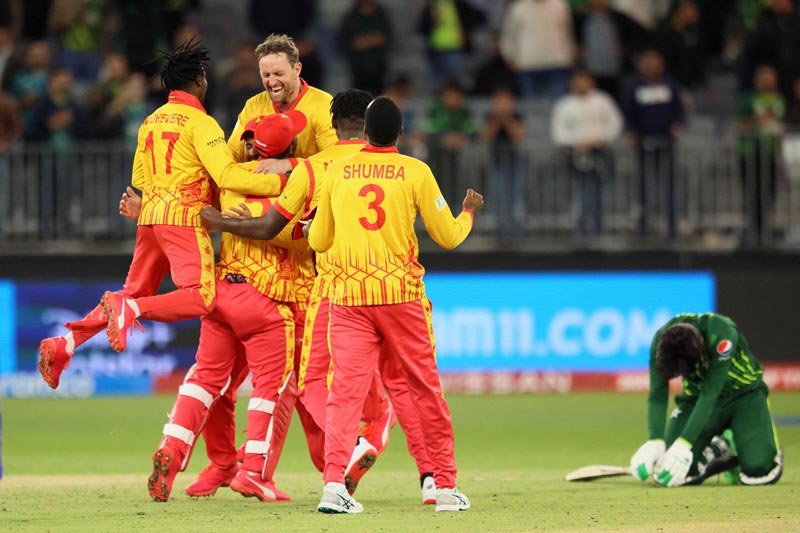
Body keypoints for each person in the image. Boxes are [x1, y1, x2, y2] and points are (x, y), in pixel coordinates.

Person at [201, 89, 439, 504]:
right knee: (403, 387)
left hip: (331, 292)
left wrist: (220, 222)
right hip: (396, 289)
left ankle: (335, 463)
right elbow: (447, 232)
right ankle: (430, 478)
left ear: (331, 125)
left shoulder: (315, 170)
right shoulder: (405, 169)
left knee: (316, 384)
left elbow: (274, 226)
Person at [36, 38, 288, 390]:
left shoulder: (150, 121)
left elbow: (140, 178)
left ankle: (66, 344)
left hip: (151, 217)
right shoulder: (201, 124)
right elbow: (227, 176)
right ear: (199, 79)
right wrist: (285, 184)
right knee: (201, 295)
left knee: (131, 292)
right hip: (183, 219)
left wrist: (147, 207)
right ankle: (133, 312)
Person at [307, 96, 484, 513]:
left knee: (344, 394)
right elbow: (449, 235)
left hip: (349, 298)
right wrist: (468, 212)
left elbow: (318, 241)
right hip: (400, 297)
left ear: (364, 133)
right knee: (424, 388)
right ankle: (444, 487)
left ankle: (334, 487)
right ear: (401, 134)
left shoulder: (338, 171)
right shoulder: (415, 171)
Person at [146, 112, 307, 503]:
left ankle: (173, 447)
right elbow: (305, 236)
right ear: (292, 147)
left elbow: (193, 213)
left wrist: (145, 211)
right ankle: (254, 472)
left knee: (205, 380)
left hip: (222, 293)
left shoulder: (228, 182)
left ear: (254, 146)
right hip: (267, 300)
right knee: (272, 388)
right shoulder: (300, 184)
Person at [630, 312, 783, 488]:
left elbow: (710, 394)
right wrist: (655, 441)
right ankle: (719, 448)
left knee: (759, 469)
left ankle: (737, 441)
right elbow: (657, 396)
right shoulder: (660, 343)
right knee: (673, 470)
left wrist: (684, 444)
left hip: (744, 396)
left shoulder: (722, 335)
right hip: (695, 401)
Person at [227, 33, 338, 172]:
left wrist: (289, 165)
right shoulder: (253, 105)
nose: (272, 82)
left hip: (309, 191)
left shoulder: (323, 104)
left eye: (279, 74)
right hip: (261, 188)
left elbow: (335, 158)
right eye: (266, 75)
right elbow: (231, 156)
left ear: (297, 69)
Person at [551, 69, 622, 236]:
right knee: (578, 190)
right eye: (578, 80)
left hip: (599, 152)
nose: (581, 84)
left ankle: (598, 227)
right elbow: (558, 131)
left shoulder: (602, 100)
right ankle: (579, 228)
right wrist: (575, 143)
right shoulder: (564, 104)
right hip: (573, 154)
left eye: (584, 80)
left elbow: (615, 123)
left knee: (598, 190)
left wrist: (601, 139)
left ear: (591, 82)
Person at [622, 48, 685, 238]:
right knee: (643, 186)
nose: (651, 67)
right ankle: (643, 225)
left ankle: (671, 224)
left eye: (655, 64)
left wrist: (678, 125)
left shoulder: (669, 85)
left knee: (668, 185)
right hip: (643, 142)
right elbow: (628, 112)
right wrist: (631, 131)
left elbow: (679, 110)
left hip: (666, 142)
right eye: (648, 64)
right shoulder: (634, 86)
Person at [337, 0, 393, 97]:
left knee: (378, 99)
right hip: (358, 68)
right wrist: (356, 43)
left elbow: (389, 37)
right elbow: (342, 41)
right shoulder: (351, 17)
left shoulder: (381, 15)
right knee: (358, 100)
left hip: (378, 66)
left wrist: (376, 40)